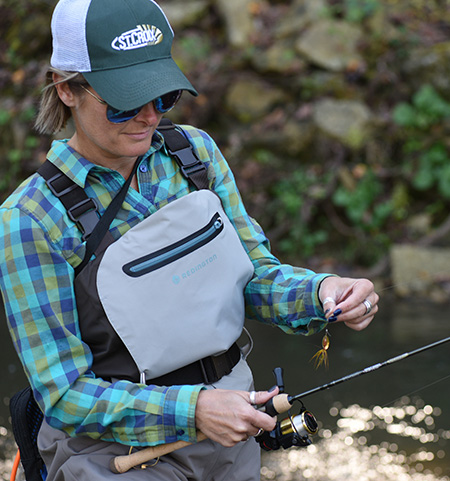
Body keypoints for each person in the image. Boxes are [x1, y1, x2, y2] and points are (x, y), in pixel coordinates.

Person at [0, 0, 379, 479]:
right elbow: (64, 394)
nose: (147, 117)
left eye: (162, 97)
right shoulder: (30, 220)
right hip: (114, 458)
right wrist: (196, 409)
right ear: (66, 88)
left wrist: (322, 293)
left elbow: (253, 277)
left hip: (234, 431)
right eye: (123, 103)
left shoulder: (194, 154)